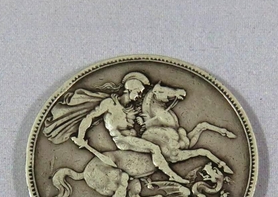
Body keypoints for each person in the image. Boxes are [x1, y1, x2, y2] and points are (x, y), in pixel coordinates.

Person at [43, 71, 187, 184]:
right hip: (122, 140)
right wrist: (81, 136)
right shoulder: (109, 104)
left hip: (131, 137)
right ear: (129, 89)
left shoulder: (129, 107)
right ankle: (172, 175)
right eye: (138, 92)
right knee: (154, 148)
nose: (139, 96)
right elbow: (89, 118)